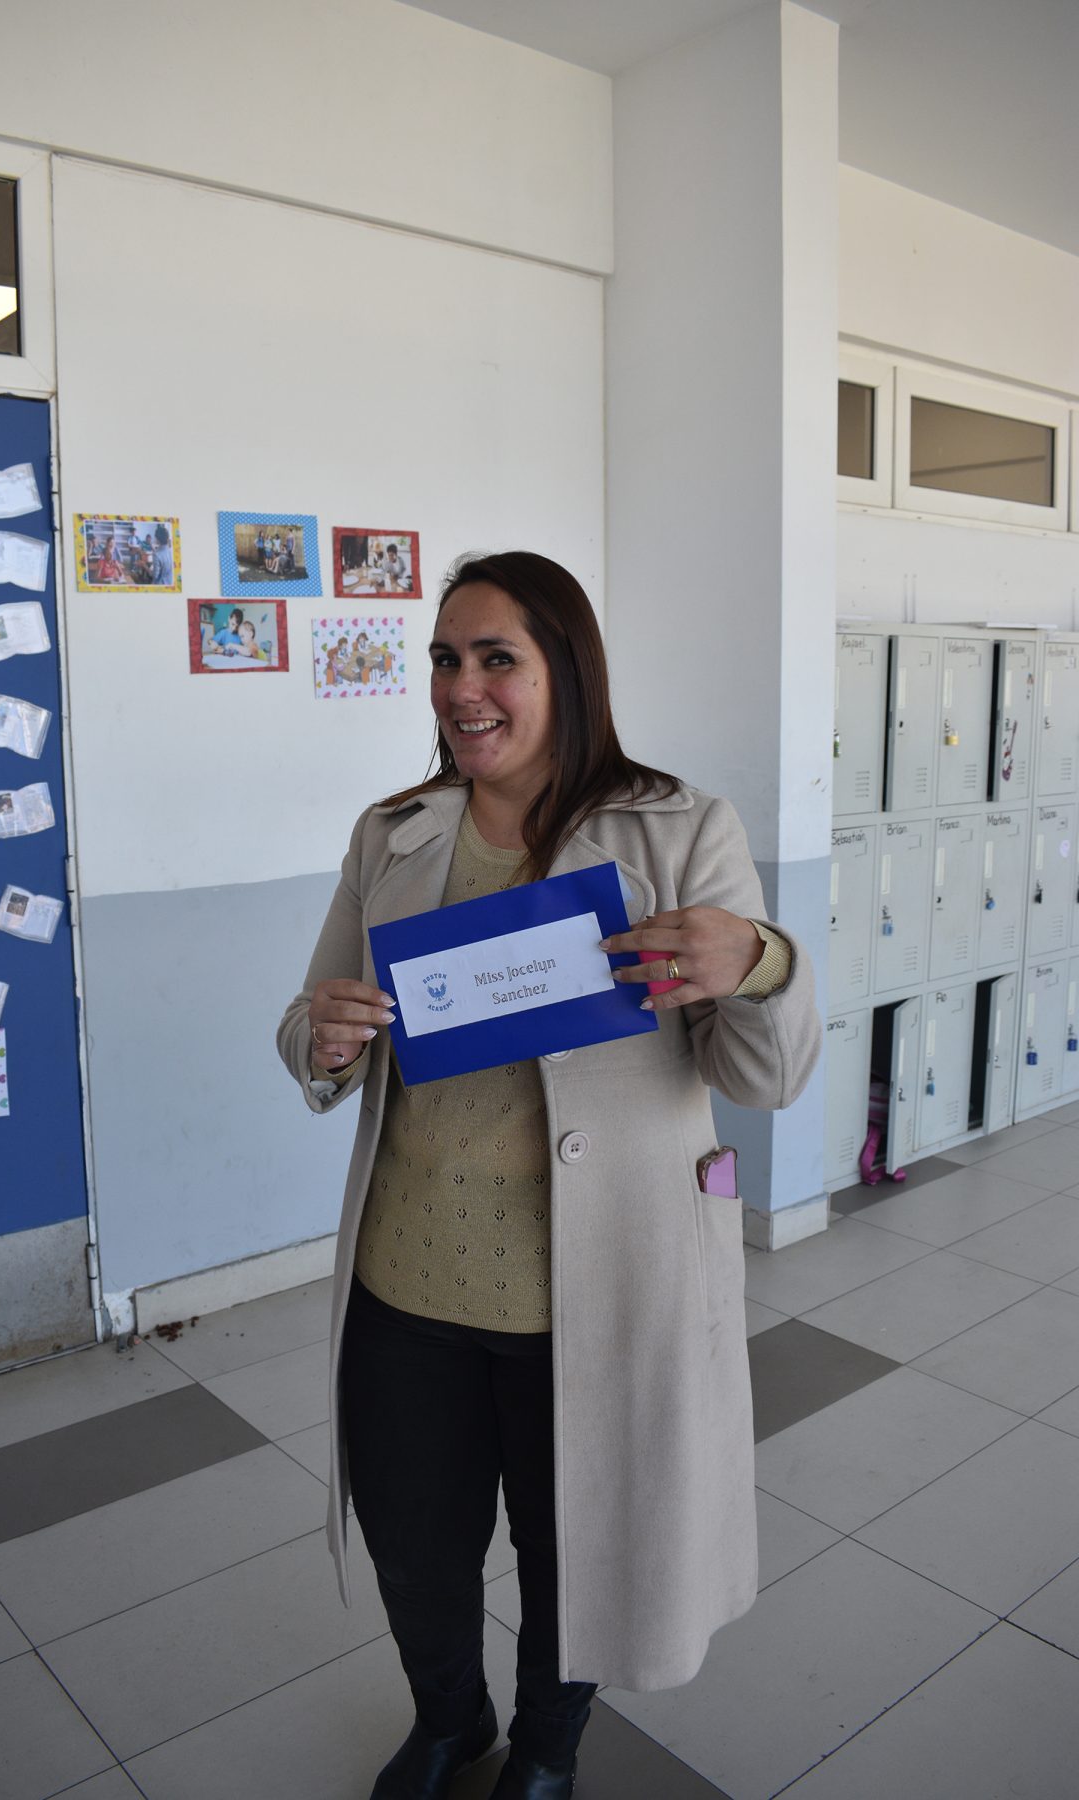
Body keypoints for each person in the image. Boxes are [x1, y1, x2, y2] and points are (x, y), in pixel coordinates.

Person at [278, 552, 820, 1800]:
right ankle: (449, 1721)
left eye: (496, 658)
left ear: (563, 673)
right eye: (445, 659)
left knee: (575, 1542)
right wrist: (322, 1036)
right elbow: (314, 1022)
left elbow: (765, 1075)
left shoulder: (681, 829)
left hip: (594, 1284)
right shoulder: (393, 834)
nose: (462, 688)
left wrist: (765, 961)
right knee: (416, 1545)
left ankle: (546, 1748)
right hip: (407, 1278)